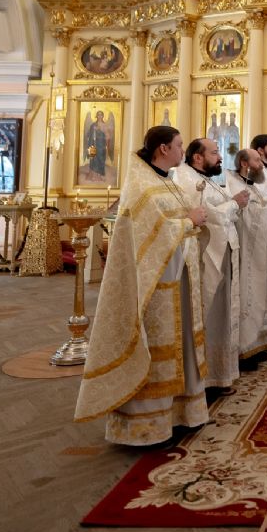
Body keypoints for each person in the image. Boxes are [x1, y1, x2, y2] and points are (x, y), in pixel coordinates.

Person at [74, 127, 210, 444]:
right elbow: (155, 235)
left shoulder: (165, 181)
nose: (182, 151)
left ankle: (181, 413)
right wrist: (190, 221)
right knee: (159, 352)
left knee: (181, 348)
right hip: (154, 286)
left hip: (177, 280)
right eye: (178, 146)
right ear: (163, 149)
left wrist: (192, 221)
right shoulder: (142, 188)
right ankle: (147, 427)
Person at [174, 137, 250, 388]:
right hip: (207, 258)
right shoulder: (186, 179)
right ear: (198, 157)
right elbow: (207, 215)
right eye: (215, 153)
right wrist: (234, 203)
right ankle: (207, 379)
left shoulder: (205, 178)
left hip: (222, 252)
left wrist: (233, 202)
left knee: (222, 315)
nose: (220, 158)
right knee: (209, 316)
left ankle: (219, 373)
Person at [227, 148, 267, 361]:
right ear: (244, 163)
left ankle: (258, 344)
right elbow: (254, 218)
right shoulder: (235, 184)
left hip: (258, 249)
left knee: (260, 291)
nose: (261, 165)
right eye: (257, 160)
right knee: (247, 295)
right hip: (245, 251)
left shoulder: (252, 185)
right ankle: (246, 347)